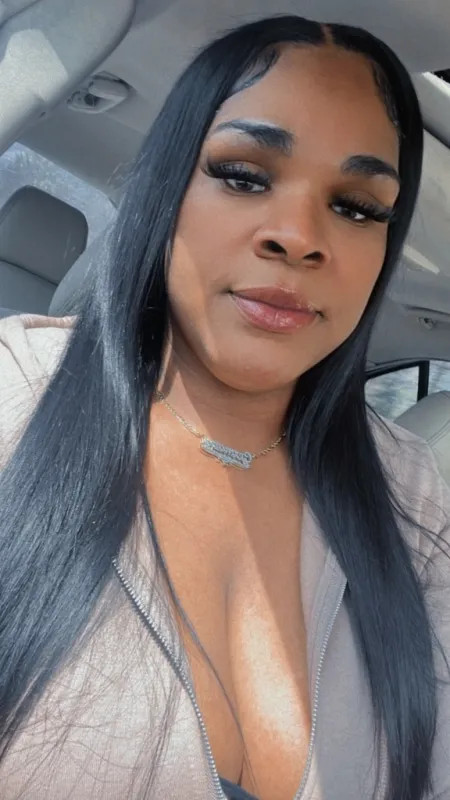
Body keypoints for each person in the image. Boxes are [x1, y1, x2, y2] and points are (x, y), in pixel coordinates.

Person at [0, 13, 449, 800]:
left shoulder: (415, 495)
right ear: (167, 189)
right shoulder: (14, 393)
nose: (298, 236)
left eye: (356, 207)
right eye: (243, 175)